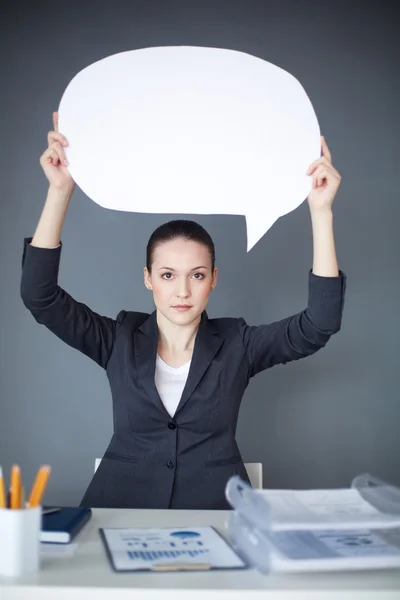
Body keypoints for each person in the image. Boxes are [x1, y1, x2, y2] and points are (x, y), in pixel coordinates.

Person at [20, 112, 346, 510]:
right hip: (121, 509)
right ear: (148, 278)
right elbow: (41, 297)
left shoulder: (237, 343)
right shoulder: (118, 339)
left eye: (196, 274)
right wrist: (59, 192)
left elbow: (319, 323)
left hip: (218, 512)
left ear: (213, 279)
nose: (182, 290)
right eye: (168, 274)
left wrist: (321, 211)